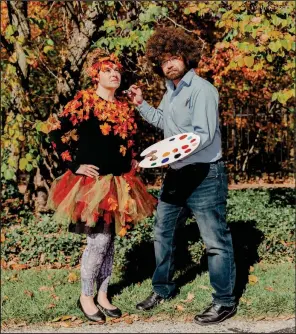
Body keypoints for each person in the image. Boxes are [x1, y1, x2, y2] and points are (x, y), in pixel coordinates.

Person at [128, 27, 237, 326]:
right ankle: (162, 289)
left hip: (204, 174)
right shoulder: (171, 90)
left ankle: (224, 301)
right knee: (162, 234)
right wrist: (141, 104)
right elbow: (166, 124)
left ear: (186, 57)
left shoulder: (201, 89)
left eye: (174, 58)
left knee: (214, 240)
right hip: (175, 175)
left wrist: (165, 156)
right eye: (163, 61)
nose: (169, 65)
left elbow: (203, 135)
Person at [45, 50, 156, 322]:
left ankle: (103, 294)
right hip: (93, 185)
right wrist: (74, 165)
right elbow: (55, 131)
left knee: (110, 242)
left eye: (116, 70)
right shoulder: (84, 102)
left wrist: (133, 163)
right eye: (107, 70)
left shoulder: (122, 106)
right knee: (99, 240)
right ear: (96, 75)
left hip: (119, 182)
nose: (114, 74)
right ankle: (86, 296)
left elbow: (126, 144)